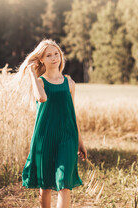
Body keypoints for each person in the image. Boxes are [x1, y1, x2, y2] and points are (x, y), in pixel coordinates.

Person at [13, 38, 87, 208]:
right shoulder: (39, 82)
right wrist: (32, 73)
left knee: (64, 183)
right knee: (45, 186)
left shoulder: (70, 83)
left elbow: (72, 113)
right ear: (41, 60)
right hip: (45, 137)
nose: (54, 58)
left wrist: (80, 142)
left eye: (56, 54)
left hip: (67, 137)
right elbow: (42, 98)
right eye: (49, 55)